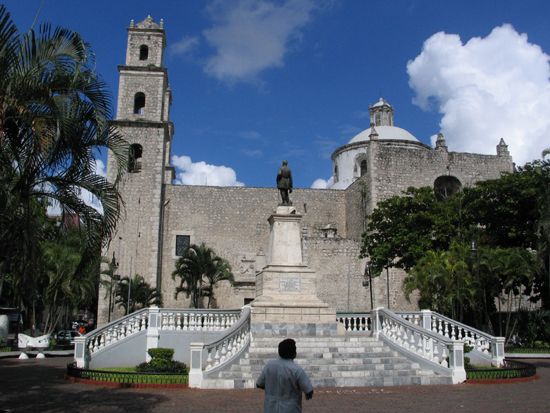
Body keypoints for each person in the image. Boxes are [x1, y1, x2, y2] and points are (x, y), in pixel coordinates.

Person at [256, 338, 313, 413]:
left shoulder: (269, 366)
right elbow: (309, 391)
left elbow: (259, 384)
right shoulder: (296, 370)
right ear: (293, 352)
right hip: (290, 408)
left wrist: (272, 388)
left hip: (271, 408)